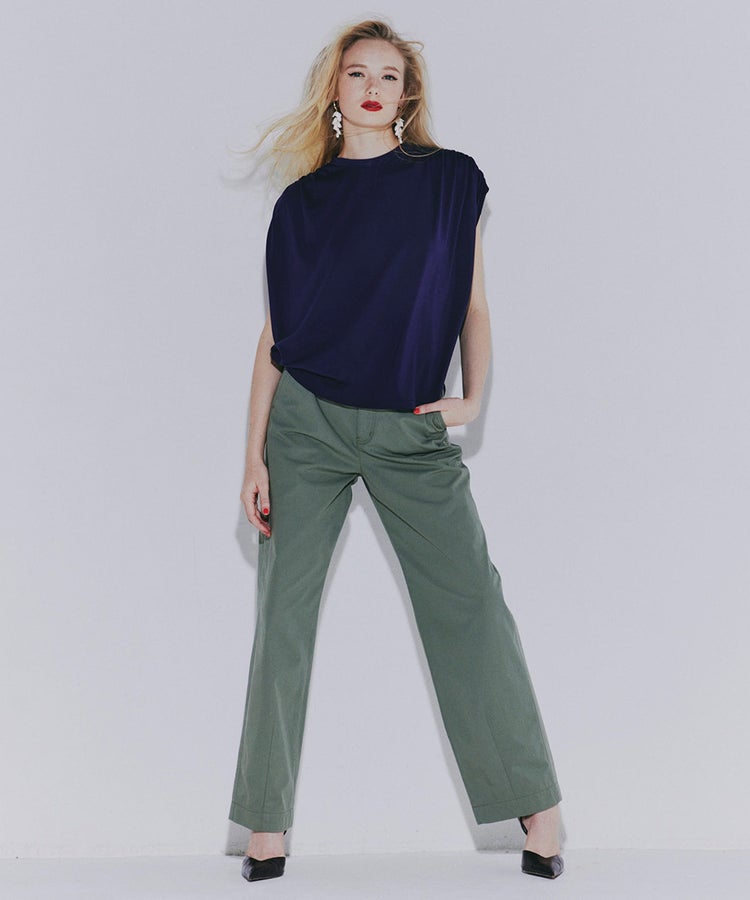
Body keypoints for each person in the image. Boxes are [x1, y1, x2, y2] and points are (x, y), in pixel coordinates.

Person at [228, 19, 564, 883]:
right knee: (283, 619)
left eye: (389, 75)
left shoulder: (448, 181)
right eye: (357, 74)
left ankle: (538, 807)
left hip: (409, 428)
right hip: (305, 423)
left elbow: (474, 305)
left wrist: (473, 398)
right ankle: (265, 826)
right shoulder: (300, 204)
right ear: (334, 92)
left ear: (408, 95)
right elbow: (274, 338)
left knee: (471, 605)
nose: (373, 87)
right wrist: (253, 456)